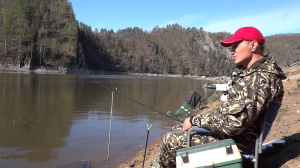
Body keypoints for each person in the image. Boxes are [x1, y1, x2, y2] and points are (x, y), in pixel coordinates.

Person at [152, 26, 287, 167]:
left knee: (172, 140)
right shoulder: (251, 75)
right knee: (177, 130)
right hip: (235, 134)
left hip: (240, 141)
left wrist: (195, 120)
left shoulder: (260, 79)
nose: (232, 51)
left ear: (253, 45)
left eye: (236, 46)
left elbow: (233, 124)